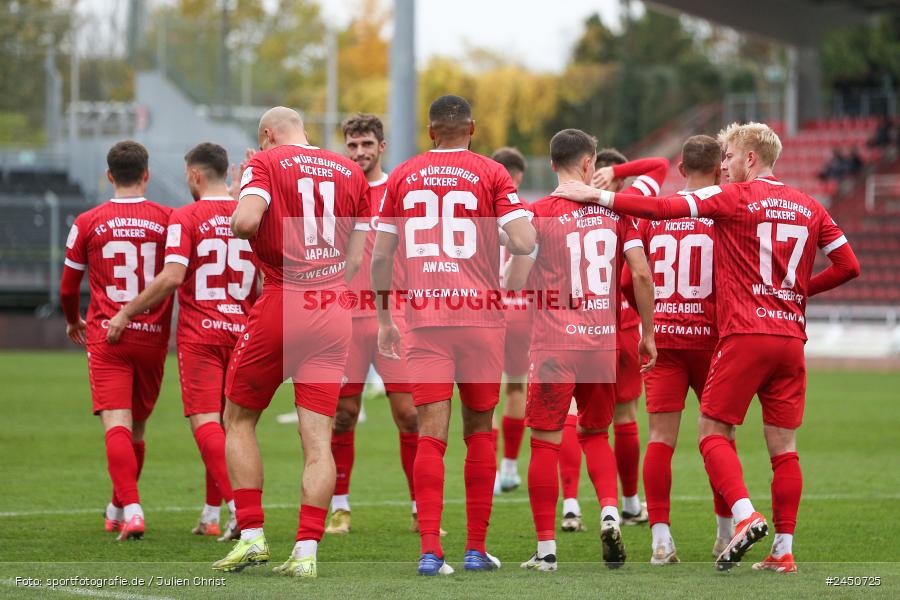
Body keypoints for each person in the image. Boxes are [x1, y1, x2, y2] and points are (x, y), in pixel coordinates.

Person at [553, 121, 861, 573]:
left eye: (732, 156)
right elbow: (848, 265)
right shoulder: (809, 204)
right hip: (767, 337)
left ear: (749, 158)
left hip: (709, 337)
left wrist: (598, 196)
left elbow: (658, 217)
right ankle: (776, 547)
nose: (728, 165)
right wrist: (794, 293)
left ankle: (682, 534)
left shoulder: (731, 200)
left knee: (688, 436)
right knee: (782, 449)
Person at [371, 94, 535, 575]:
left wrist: (385, 318)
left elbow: (381, 257)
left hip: (424, 319)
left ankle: (429, 552)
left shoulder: (403, 175)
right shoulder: (491, 173)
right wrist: (502, 234)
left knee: (430, 435)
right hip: (481, 320)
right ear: (473, 128)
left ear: (429, 131)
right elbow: (525, 241)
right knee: (480, 431)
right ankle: (475, 549)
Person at [211, 107, 370, 578]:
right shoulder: (348, 169)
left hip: (285, 297)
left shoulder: (266, 162)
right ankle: (305, 552)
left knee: (237, 418)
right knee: (318, 438)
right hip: (332, 303)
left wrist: (246, 188)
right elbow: (359, 253)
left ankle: (252, 535)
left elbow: (243, 223)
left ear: (267, 135)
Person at [504, 128, 657, 571]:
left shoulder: (538, 214)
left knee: (546, 444)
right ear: (590, 164)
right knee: (596, 435)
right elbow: (642, 275)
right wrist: (647, 333)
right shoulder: (615, 213)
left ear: (552, 165)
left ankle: (547, 551)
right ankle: (611, 510)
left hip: (554, 344)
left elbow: (515, 281)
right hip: (602, 343)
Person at [106, 143, 258, 542]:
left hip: (202, 333)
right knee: (230, 426)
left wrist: (126, 312)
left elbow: (173, 276)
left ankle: (239, 508)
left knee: (205, 421)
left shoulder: (184, 215)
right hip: (243, 330)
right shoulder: (249, 213)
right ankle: (213, 513)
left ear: (193, 175)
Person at [59, 140, 173, 541]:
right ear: (146, 174)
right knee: (136, 430)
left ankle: (134, 510)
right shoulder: (168, 218)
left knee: (116, 425)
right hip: (153, 338)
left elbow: (68, 287)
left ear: (109, 175)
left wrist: (73, 321)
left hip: (108, 334)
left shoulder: (88, 221)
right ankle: (117, 505)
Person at [633, 135, 731, 564]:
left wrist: (647, 324)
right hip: (712, 338)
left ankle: (660, 539)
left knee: (659, 439)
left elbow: (630, 277)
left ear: (680, 168)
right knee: (720, 437)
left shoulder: (657, 215)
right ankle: (726, 533)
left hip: (664, 337)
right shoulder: (725, 210)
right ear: (720, 168)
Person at [325, 113, 421, 536]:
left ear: (382, 147)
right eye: (352, 145)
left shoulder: (399, 190)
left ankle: (423, 507)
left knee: (410, 414)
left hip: (393, 316)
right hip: (345, 316)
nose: (360, 152)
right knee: (343, 415)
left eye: (367, 145)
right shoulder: (335, 191)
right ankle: (340, 508)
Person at [589, 149, 670, 526]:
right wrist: (617, 171)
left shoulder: (570, 207)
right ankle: (631, 502)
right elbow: (659, 165)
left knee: (581, 423)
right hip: (621, 329)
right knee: (625, 416)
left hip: (578, 328)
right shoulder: (631, 203)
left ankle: (575, 505)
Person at [492, 146, 530, 494]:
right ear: (518, 177)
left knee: (485, 389)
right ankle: (508, 468)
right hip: (521, 309)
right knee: (517, 386)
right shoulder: (529, 214)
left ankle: (488, 472)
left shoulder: (478, 212)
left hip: (485, 309)